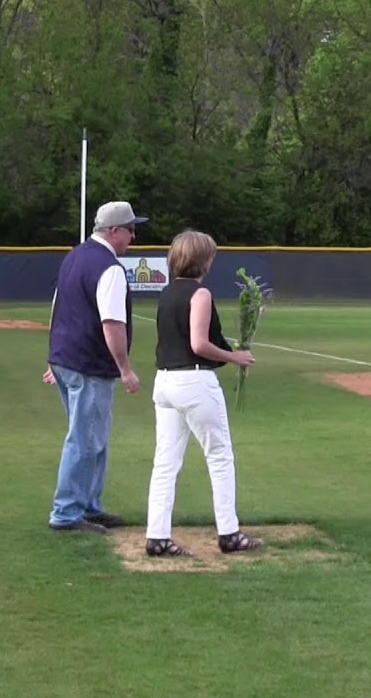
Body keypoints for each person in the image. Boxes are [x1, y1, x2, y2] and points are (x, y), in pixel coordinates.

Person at [143, 230, 262, 557]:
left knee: (166, 462)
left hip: (164, 382)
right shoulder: (200, 294)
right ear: (202, 261)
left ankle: (157, 536)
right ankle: (229, 533)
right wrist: (234, 356)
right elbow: (198, 344)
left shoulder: (166, 293)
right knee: (220, 456)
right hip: (194, 383)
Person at [42, 201, 147, 534]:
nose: (133, 236)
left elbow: (59, 307)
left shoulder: (74, 256)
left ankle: (89, 505)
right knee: (84, 439)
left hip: (67, 359)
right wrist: (126, 368)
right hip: (89, 364)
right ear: (114, 231)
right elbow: (112, 323)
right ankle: (66, 513)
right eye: (130, 230)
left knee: (92, 438)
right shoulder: (109, 268)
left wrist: (53, 356)